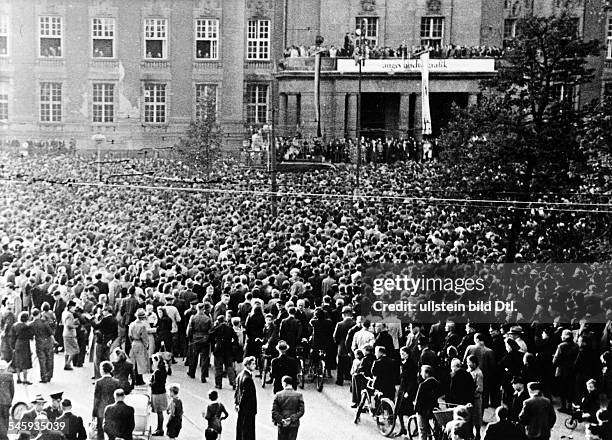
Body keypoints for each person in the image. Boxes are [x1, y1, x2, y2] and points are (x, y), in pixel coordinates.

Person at [92, 361, 120, 440]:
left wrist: (94, 413)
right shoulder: (116, 382)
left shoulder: (99, 382)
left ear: (102, 370)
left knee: (100, 431)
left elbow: (96, 399)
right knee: (112, 431)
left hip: (101, 410)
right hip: (113, 410)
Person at [210, 315, 238, 390]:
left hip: (219, 350)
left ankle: (218, 384)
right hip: (228, 350)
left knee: (218, 368)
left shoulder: (217, 328)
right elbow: (235, 338)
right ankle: (233, 382)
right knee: (229, 367)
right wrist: (233, 346)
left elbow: (210, 335)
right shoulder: (230, 328)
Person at [186, 303, 212, 383]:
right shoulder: (208, 318)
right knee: (204, 359)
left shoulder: (193, 318)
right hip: (205, 339)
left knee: (193, 357)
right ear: (203, 309)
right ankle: (203, 376)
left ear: (197, 309)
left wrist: (190, 338)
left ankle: (192, 373)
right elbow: (210, 330)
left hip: (195, 339)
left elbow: (189, 329)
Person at [414, 365, 440, 440]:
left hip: (423, 411)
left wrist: (415, 409)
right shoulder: (437, 383)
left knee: (422, 431)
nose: (421, 374)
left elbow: (418, 401)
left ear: (427, 374)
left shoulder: (422, 385)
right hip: (433, 409)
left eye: (422, 372)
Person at [235, 356, 257, 440]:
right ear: (247, 365)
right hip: (248, 409)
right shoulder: (248, 378)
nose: (255, 366)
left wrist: (236, 403)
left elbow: (237, 392)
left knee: (241, 429)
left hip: (242, 409)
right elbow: (244, 395)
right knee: (247, 432)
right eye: (253, 364)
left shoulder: (240, 375)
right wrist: (240, 405)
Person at [30, 308, 55, 383]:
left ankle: (44, 377)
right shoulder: (44, 322)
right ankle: (49, 375)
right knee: (50, 359)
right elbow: (50, 333)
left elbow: (31, 335)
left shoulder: (32, 324)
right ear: (39, 314)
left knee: (42, 360)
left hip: (39, 343)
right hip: (48, 341)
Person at [333, 306, 354, 386]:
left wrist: (338, 342)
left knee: (340, 365)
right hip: (351, 347)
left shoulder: (340, 324)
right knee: (351, 363)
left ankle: (340, 380)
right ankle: (350, 378)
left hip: (341, 347)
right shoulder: (354, 324)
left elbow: (335, 336)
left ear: (343, 314)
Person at [128, 309, 150, 386]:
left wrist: (132, 342)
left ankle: (134, 378)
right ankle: (139, 379)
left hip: (133, 343)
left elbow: (129, 335)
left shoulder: (131, 324)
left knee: (134, 362)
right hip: (140, 343)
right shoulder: (142, 326)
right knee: (140, 362)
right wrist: (146, 345)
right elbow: (144, 337)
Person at [12, 311, 34, 384]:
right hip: (25, 344)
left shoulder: (15, 326)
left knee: (17, 361)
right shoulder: (27, 327)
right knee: (25, 362)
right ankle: (25, 379)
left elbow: (13, 337)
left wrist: (13, 346)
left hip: (17, 343)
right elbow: (31, 337)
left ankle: (18, 378)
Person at [150, 354, 168, 436]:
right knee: (160, 412)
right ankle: (159, 428)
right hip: (162, 393)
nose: (153, 363)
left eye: (154, 361)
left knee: (159, 412)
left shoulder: (157, 372)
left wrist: (150, 383)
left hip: (157, 394)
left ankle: (159, 429)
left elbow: (155, 383)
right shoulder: (163, 370)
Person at [467, 355, 483, 440]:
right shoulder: (469, 371)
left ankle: (477, 434)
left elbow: (479, 388)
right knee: (469, 417)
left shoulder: (478, 373)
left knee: (477, 417)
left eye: (469, 362)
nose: (467, 364)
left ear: (474, 363)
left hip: (476, 399)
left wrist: (472, 393)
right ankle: (470, 433)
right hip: (469, 398)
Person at [61, 302, 78, 371]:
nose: (75, 308)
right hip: (70, 334)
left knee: (67, 350)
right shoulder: (70, 314)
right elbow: (69, 325)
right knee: (75, 350)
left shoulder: (64, 312)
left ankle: (66, 363)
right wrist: (76, 326)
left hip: (65, 333)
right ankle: (68, 363)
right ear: (71, 307)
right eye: (74, 307)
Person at [0, 360, 14, 440]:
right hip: (6, 402)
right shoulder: (10, 376)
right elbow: (12, 390)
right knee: (6, 420)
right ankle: (4, 435)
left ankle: (3, 436)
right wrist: (10, 399)